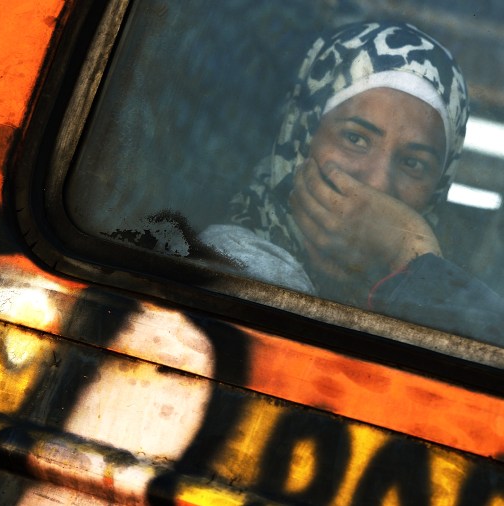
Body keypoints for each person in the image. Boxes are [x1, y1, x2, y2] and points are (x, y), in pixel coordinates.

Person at [200, 21, 504, 345]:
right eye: (355, 138)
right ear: (302, 138)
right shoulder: (237, 257)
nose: (377, 182)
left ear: (437, 189)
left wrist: (413, 256)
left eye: (413, 163)